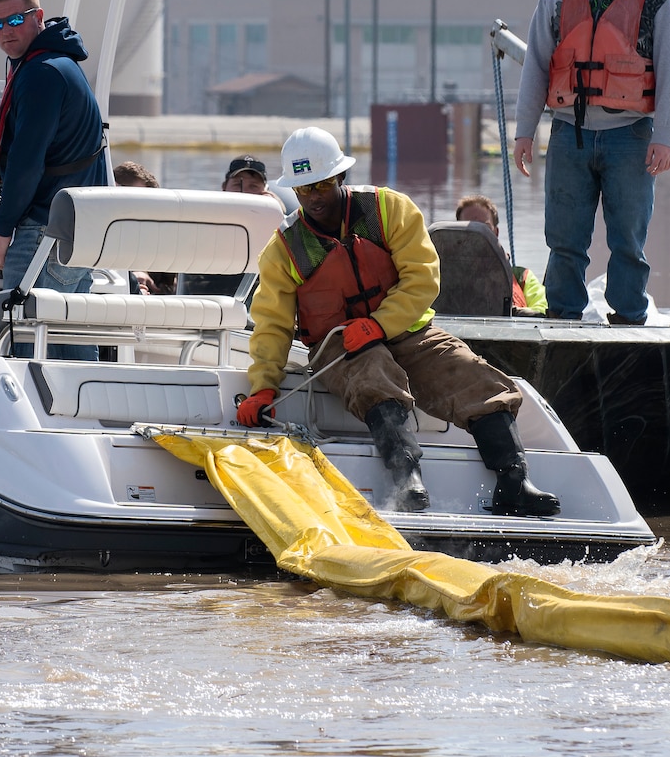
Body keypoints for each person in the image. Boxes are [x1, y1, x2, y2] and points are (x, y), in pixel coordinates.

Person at [238, 127, 561, 517]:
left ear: (340, 177)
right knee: (374, 376)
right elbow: (271, 325)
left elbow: (422, 279)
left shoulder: (390, 210)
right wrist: (262, 388)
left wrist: (379, 324)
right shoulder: (283, 249)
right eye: (304, 189)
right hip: (339, 347)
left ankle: (514, 481)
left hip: (408, 330)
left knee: (474, 376)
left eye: (321, 186)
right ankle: (407, 478)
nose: (313, 198)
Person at [513, 0, 670, 325]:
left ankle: (628, 320)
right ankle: (563, 318)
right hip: (569, 133)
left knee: (628, 239)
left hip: (630, 136)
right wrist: (523, 132)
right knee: (564, 239)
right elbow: (536, 65)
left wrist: (665, 137)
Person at [0, 0, 106, 359]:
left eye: (15, 20)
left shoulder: (40, 73)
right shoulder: (58, 64)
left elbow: (25, 163)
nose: (6, 33)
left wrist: (1, 233)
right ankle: (87, 415)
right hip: (80, 228)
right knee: (72, 341)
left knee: (28, 343)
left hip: (45, 231)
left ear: (37, 17)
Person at [182, 156, 275, 297]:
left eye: (254, 186)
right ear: (224, 188)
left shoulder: (277, 222)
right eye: (238, 185)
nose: (245, 192)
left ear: (266, 191)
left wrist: (275, 210)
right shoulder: (205, 223)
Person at [452, 194, 548, 314]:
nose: (477, 234)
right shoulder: (441, 276)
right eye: (468, 227)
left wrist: (515, 312)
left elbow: (542, 309)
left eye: (484, 227)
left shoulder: (522, 277)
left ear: (496, 232)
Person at [112, 161, 172, 295]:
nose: (143, 213)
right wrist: (131, 282)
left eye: (149, 205)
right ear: (114, 189)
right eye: (137, 201)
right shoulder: (94, 231)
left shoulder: (157, 238)